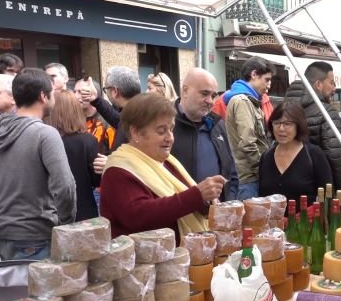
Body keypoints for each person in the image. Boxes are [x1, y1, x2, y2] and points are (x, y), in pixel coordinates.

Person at [0, 68, 76, 260]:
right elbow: (64, 186)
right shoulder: (45, 134)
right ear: (43, 96)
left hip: (2, 231)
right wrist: (65, 222)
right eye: (52, 94)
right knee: (40, 290)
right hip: (37, 233)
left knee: (16, 289)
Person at [100, 93, 226, 243]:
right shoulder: (118, 171)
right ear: (136, 133)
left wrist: (206, 202)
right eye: (161, 131)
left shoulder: (168, 162)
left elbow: (183, 204)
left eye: (171, 129)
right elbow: (138, 216)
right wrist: (197, 195)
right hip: (143, 262)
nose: (170, 137)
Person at [172, 68, 238, 201]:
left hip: (215, 214)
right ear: (185, 90)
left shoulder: (218, 125)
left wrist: (228, 203)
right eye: (204, 93)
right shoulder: (165, 123)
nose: (210, 101)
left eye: (213, 96)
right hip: (176, 215)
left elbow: (231, 172)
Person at [284, 61, 341, 192]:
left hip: (286, 180)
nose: (334, 88)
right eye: (331, 82)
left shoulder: (283, 108)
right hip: (319, 185)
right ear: (318, 84)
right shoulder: (327, 112)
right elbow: (334, 155)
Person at [259, 101, 333, 205]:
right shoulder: (266, 157)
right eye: (276, 123)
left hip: (306, 220)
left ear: (298, 125)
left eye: (287, 124)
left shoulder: (314, 155)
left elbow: (327, 196)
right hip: (273, 220)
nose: (281, 129)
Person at [47, 90, 104, 221]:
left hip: (53, 212)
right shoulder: (88, 140)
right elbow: (97, 180)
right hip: (85, 210)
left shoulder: (45, 141)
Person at [224, 56, 274, 200]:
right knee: (251, 221)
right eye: (267, 79)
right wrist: (264, 168)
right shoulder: (243, 101)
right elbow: (248, 142)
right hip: (249, 177)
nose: (269, 85)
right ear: (254, 75)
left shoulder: (250, 100)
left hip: (249, 176)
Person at [74, 78, 115, 155]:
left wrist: (108, 160)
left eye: (80, 92)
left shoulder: (108, 121)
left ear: (94, 93)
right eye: (75, 91)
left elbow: (117, 153)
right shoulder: (72, 119)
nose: (75, 96)